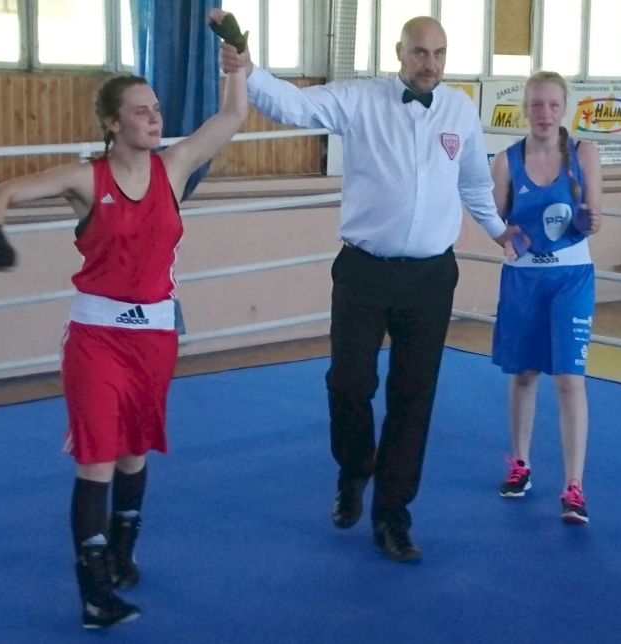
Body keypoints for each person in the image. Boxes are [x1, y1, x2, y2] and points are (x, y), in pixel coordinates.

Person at [0, 11, 248, 630]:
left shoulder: (174, 167)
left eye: (156, 109)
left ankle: (123, 555)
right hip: (97, 339)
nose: (154, 118)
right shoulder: (85, 178)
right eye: (140, 110)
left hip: (155, 337)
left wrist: (237, 62)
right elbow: (0, 193)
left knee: (133, 454)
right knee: (97, 459)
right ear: (111, 122)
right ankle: (94, 592)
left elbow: (232, 116)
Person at [221, 16, 516, 562]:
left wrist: (499, 231)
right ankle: (355, 468)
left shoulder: (459, 110)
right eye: (420, 52)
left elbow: (474, 182)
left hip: (431, 278)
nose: (430, 63)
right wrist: (247, 66)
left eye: (439, 53)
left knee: (414, 397)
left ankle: (393, 515)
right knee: (348, 383)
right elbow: (294, 106)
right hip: (364, 272)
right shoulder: (359, 99)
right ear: (398, 52)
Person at [490, 71, 603, 524]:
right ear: (525, 108)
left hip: (572, 276)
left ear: (565, 108)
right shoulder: (506, 161)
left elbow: (597, 216)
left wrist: (588, 221)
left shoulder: (584, 154)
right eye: (537, 104)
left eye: (553, 105)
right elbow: (494, 220)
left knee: (570, 379)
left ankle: (575, 486)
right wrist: (505, 235)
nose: (545, 113)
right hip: (523, 278)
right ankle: (520, 463)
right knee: (524, 374)